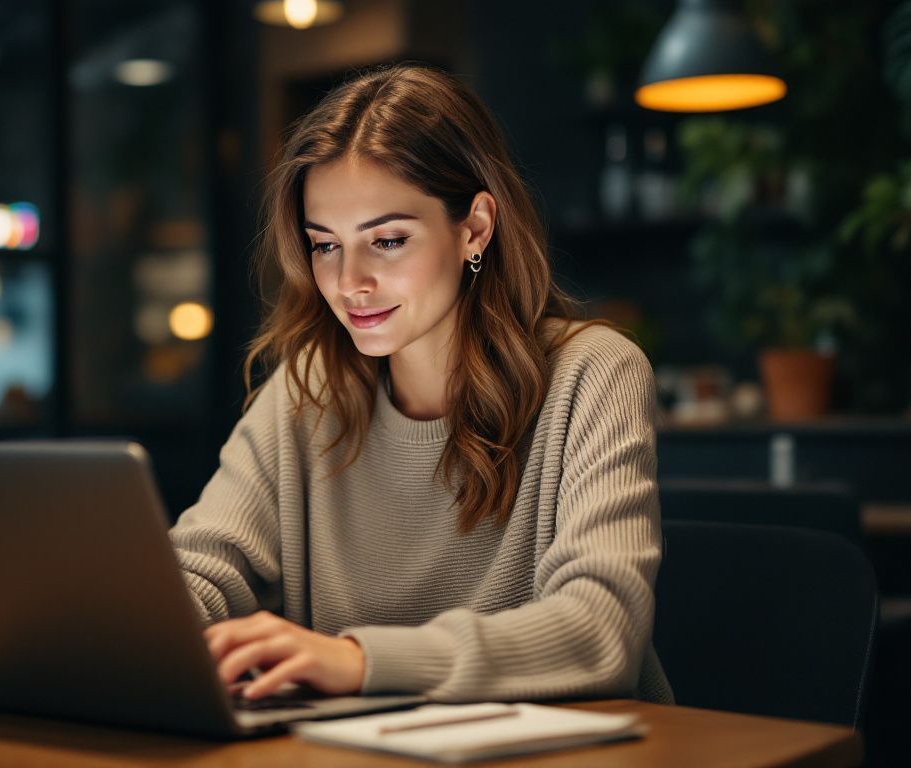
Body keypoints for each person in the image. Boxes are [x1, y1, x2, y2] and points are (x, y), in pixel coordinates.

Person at [170, 62, 672, 705]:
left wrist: (359, 660)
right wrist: (134, 621)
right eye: (325, 245)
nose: (350, 281)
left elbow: (600, 632)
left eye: (387, 240)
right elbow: (202, 571)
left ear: (475, 229)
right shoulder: (307, 392)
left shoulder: (595, 374)